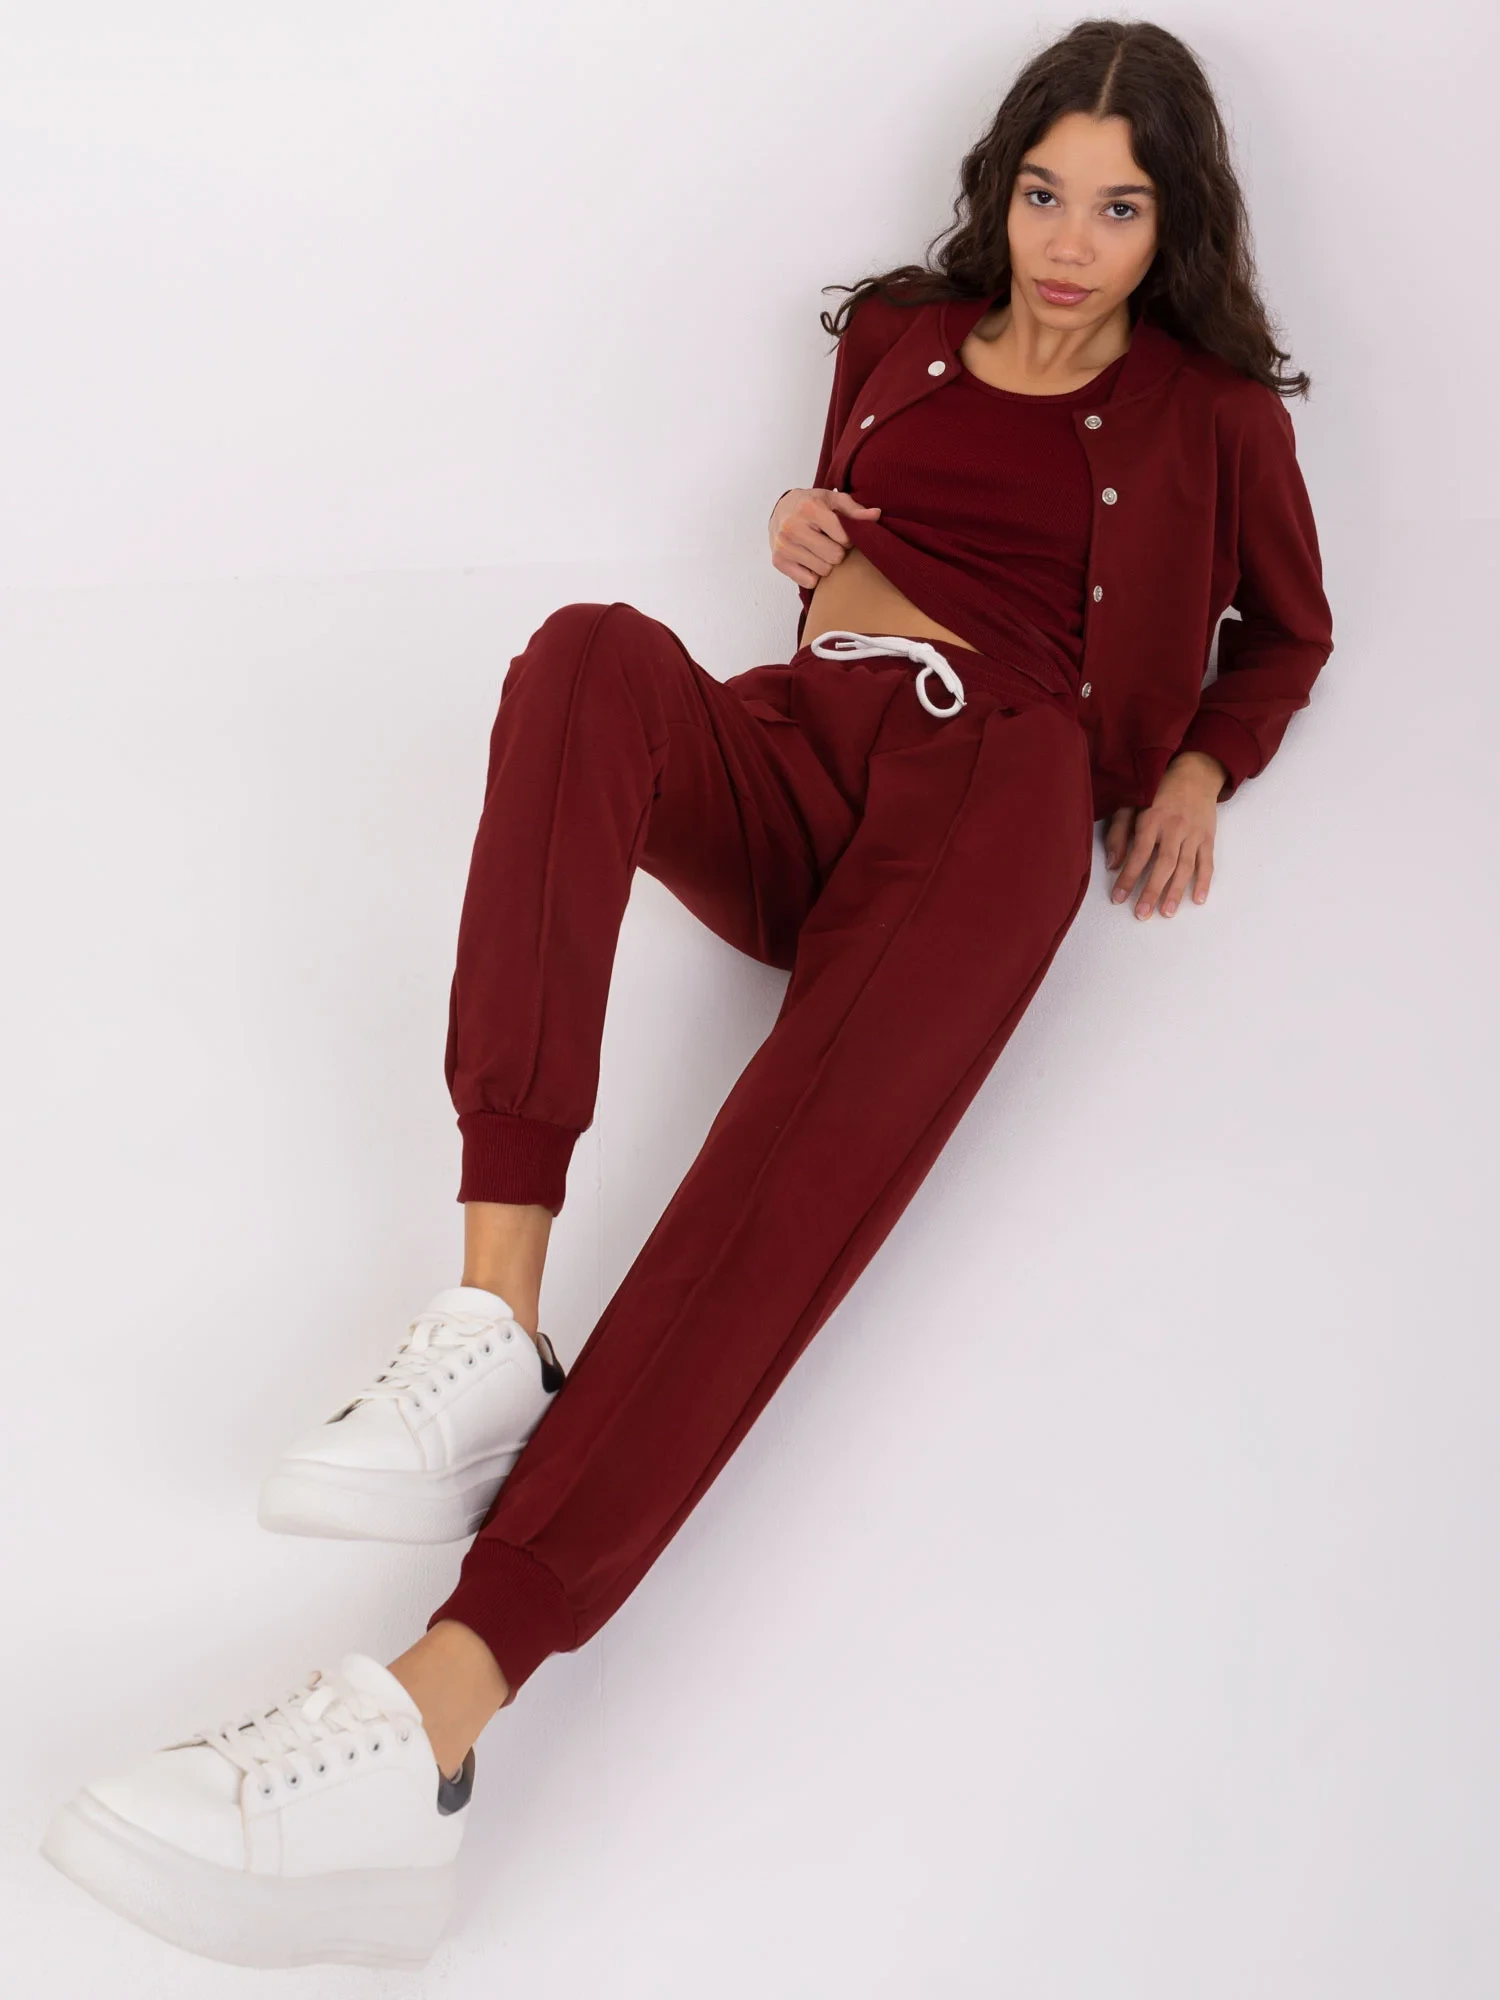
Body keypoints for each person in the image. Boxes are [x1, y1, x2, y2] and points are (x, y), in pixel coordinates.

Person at [38, 17, 1334, 1972]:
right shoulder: (897, 331)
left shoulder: (1211, 415)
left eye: (1120, 209)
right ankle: (493, 1319)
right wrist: (807, 539)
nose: (1072, 244)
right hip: (806, 735)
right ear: (1001, 191)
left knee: (770, 1200)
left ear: (1176, 227)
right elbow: (850, 539)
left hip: (995, 791)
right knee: (587, 657)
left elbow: (1290, 628)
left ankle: (428, 1722)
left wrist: (1206, 764)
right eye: (1046, 194)